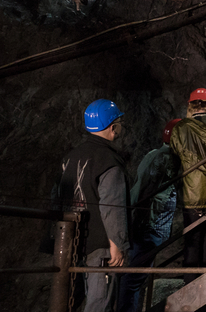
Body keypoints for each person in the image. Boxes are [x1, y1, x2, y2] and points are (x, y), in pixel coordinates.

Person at [58, 99, 130, 312]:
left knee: (67, 299)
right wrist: (117, 244)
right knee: (100, 303)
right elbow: (112, 205)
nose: (120, 126)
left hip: (72, 242)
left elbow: (58, 196)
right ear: (112, 127)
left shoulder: (70, 157)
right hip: (101, 246)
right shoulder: (108, 160)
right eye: (119, 121)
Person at [117, 119, 180, 312]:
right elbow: (143, 190)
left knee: (136, 277)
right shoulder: (162, 158)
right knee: (134, 278)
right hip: (149, 227)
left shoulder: (162, 156)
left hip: (152, 226)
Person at [169, 88, 206, 283]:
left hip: (192, 193)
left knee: (192, 242)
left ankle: (190, 289)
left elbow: (175, 154)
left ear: (191, 106)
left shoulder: (180, 128)